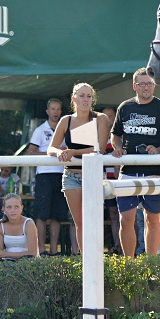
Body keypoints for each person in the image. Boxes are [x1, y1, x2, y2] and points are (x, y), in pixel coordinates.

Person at [111, 67, 160, 256]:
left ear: (154, 86)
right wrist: (118, 147)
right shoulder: (125, 107)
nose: (146, 87)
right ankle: (129, 264)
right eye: (142, 84)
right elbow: (115, 135)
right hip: (128, 171)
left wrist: (159, 150)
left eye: (150, 84)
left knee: (152, 220)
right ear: (134, 86)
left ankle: (150, 263)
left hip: (155, 171)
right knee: (125, 220)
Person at [48, 83, 109, 255]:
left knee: (93, 221)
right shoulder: (66, 120)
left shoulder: (100, 118)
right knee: (79, 223)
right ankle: (85, 259)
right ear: (74, 98)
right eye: (82, 96)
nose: (86, 99)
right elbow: (51, 148)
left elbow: (100, 148)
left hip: (93, 175)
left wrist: (73, 152)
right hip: (70, 176)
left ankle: (97, 259)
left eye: (89, 96)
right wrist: (59, 152)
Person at [28, 98, 70, 255]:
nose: (56, 112)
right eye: (53, 109)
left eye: (58, 109)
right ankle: (41, 249)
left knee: (57, 214)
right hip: (44, 174)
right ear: (47, 111)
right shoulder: (40, 130)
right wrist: (51, 153)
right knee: (42, 214)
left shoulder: (65, 130)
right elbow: (31, 152)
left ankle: (53, 249)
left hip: (61, 174)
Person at [0, 193, 40, 260]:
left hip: (28, 261)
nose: (13, 210)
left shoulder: (28, 224)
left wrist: (6, 254)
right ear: (3, 209)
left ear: (21, 208)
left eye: (16, 207)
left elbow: (33, 253)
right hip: (8, 261)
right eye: (9, 207)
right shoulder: (0, 225)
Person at [102, 106, 121, 252]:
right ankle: (115, 244)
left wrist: (117, 166)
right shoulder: (98, 136)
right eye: (105, 116)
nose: (108, 119)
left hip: (119, 179)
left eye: (111, 115)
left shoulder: (120, 135)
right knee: (112, 213)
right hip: (104, 180)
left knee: (124, 213)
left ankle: (122, 246)